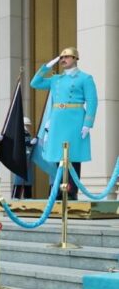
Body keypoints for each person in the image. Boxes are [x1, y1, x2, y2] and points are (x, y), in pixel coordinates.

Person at [30, 47, 98, 200]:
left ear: (75, 59)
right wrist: (47, 66)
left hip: (75, 119)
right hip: (57, 120)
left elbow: (92, 101)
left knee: (73, 156)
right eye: (61, 58)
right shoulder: (56, 79)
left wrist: (88, 123)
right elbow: (35, 83)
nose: (63, 60)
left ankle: (72, 192)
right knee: (57, 155)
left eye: (67, 57)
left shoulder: (85, 78)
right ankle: (61, 190)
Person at [8, 117, 37, 199]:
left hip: (28, 161)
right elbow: (20, 144)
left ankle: (28, 199)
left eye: (28, 125)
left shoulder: (28, 134)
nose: (27, 127)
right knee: (19, 181)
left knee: (28, 181)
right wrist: (29, 142)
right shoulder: (18, 134)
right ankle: (15, 198)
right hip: (21, 161)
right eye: (26, 125)